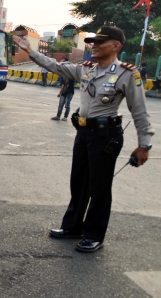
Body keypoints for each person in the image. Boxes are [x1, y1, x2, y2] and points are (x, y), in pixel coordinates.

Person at [13, 26, 154, 253]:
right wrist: (30, 51)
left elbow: (139, 112)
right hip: (83, 133)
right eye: (93, 42)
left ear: (116, 46)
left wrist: (144, 145)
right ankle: (72, 227)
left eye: (100, 42)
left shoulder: (127, 74)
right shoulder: (87, 69)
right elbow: (56, 66)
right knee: (78, 182)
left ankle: (94, 234)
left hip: (106, 136)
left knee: (99, 187)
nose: (94, 46)